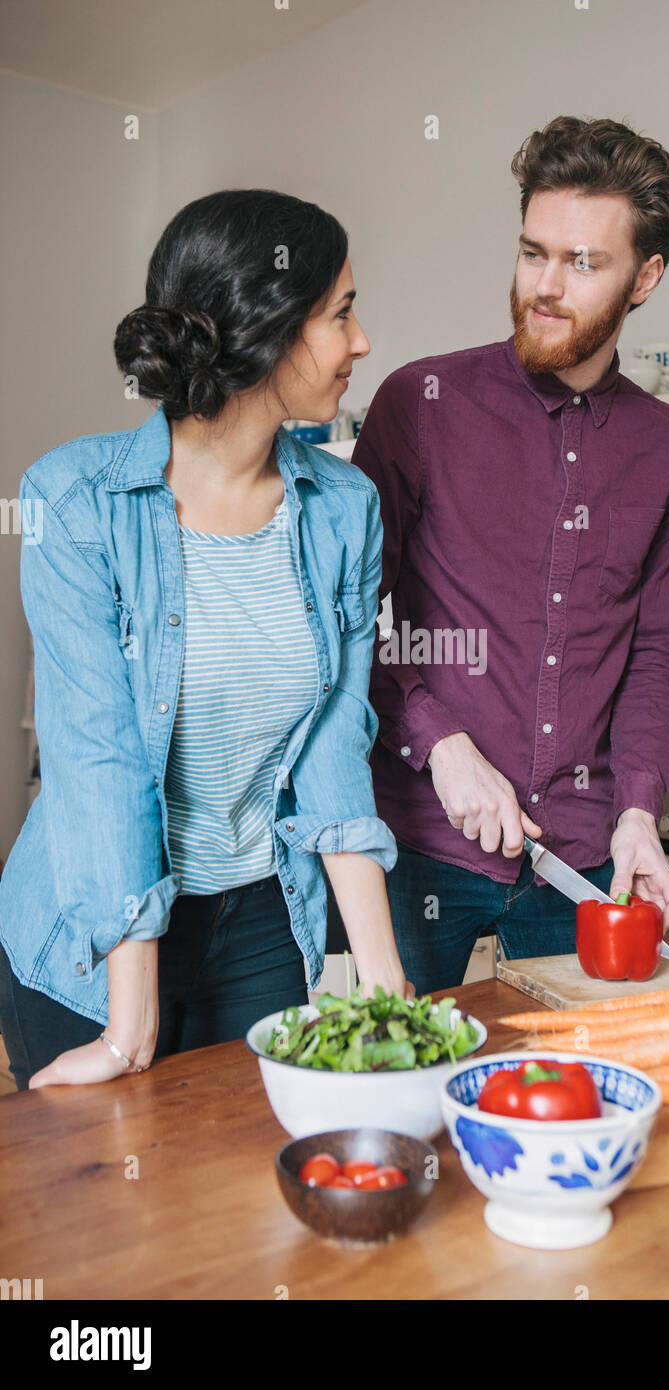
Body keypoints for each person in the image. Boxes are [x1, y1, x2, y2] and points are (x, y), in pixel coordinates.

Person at [0, 189, 412, 1091]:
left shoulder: (345, 510)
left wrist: (389, 986)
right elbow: (97, 756)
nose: (363, 341)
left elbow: (336, 746)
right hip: (92, 933)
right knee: (107, 1215)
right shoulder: (74, 502)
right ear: (271, 327)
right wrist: (128, 1027)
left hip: (264, 923)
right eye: (342, 312)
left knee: (241, 1208)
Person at [350, 116, 669, 993]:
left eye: (583, 263)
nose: (547, 287)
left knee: (581, 1088)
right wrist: (440, 745)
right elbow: (349, 616)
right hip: (422, 843)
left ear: (646, 276)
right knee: (404, 1092)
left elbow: (657, 652)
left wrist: (636, 812)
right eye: (532, 252)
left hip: (581, 858)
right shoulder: (419, 405)